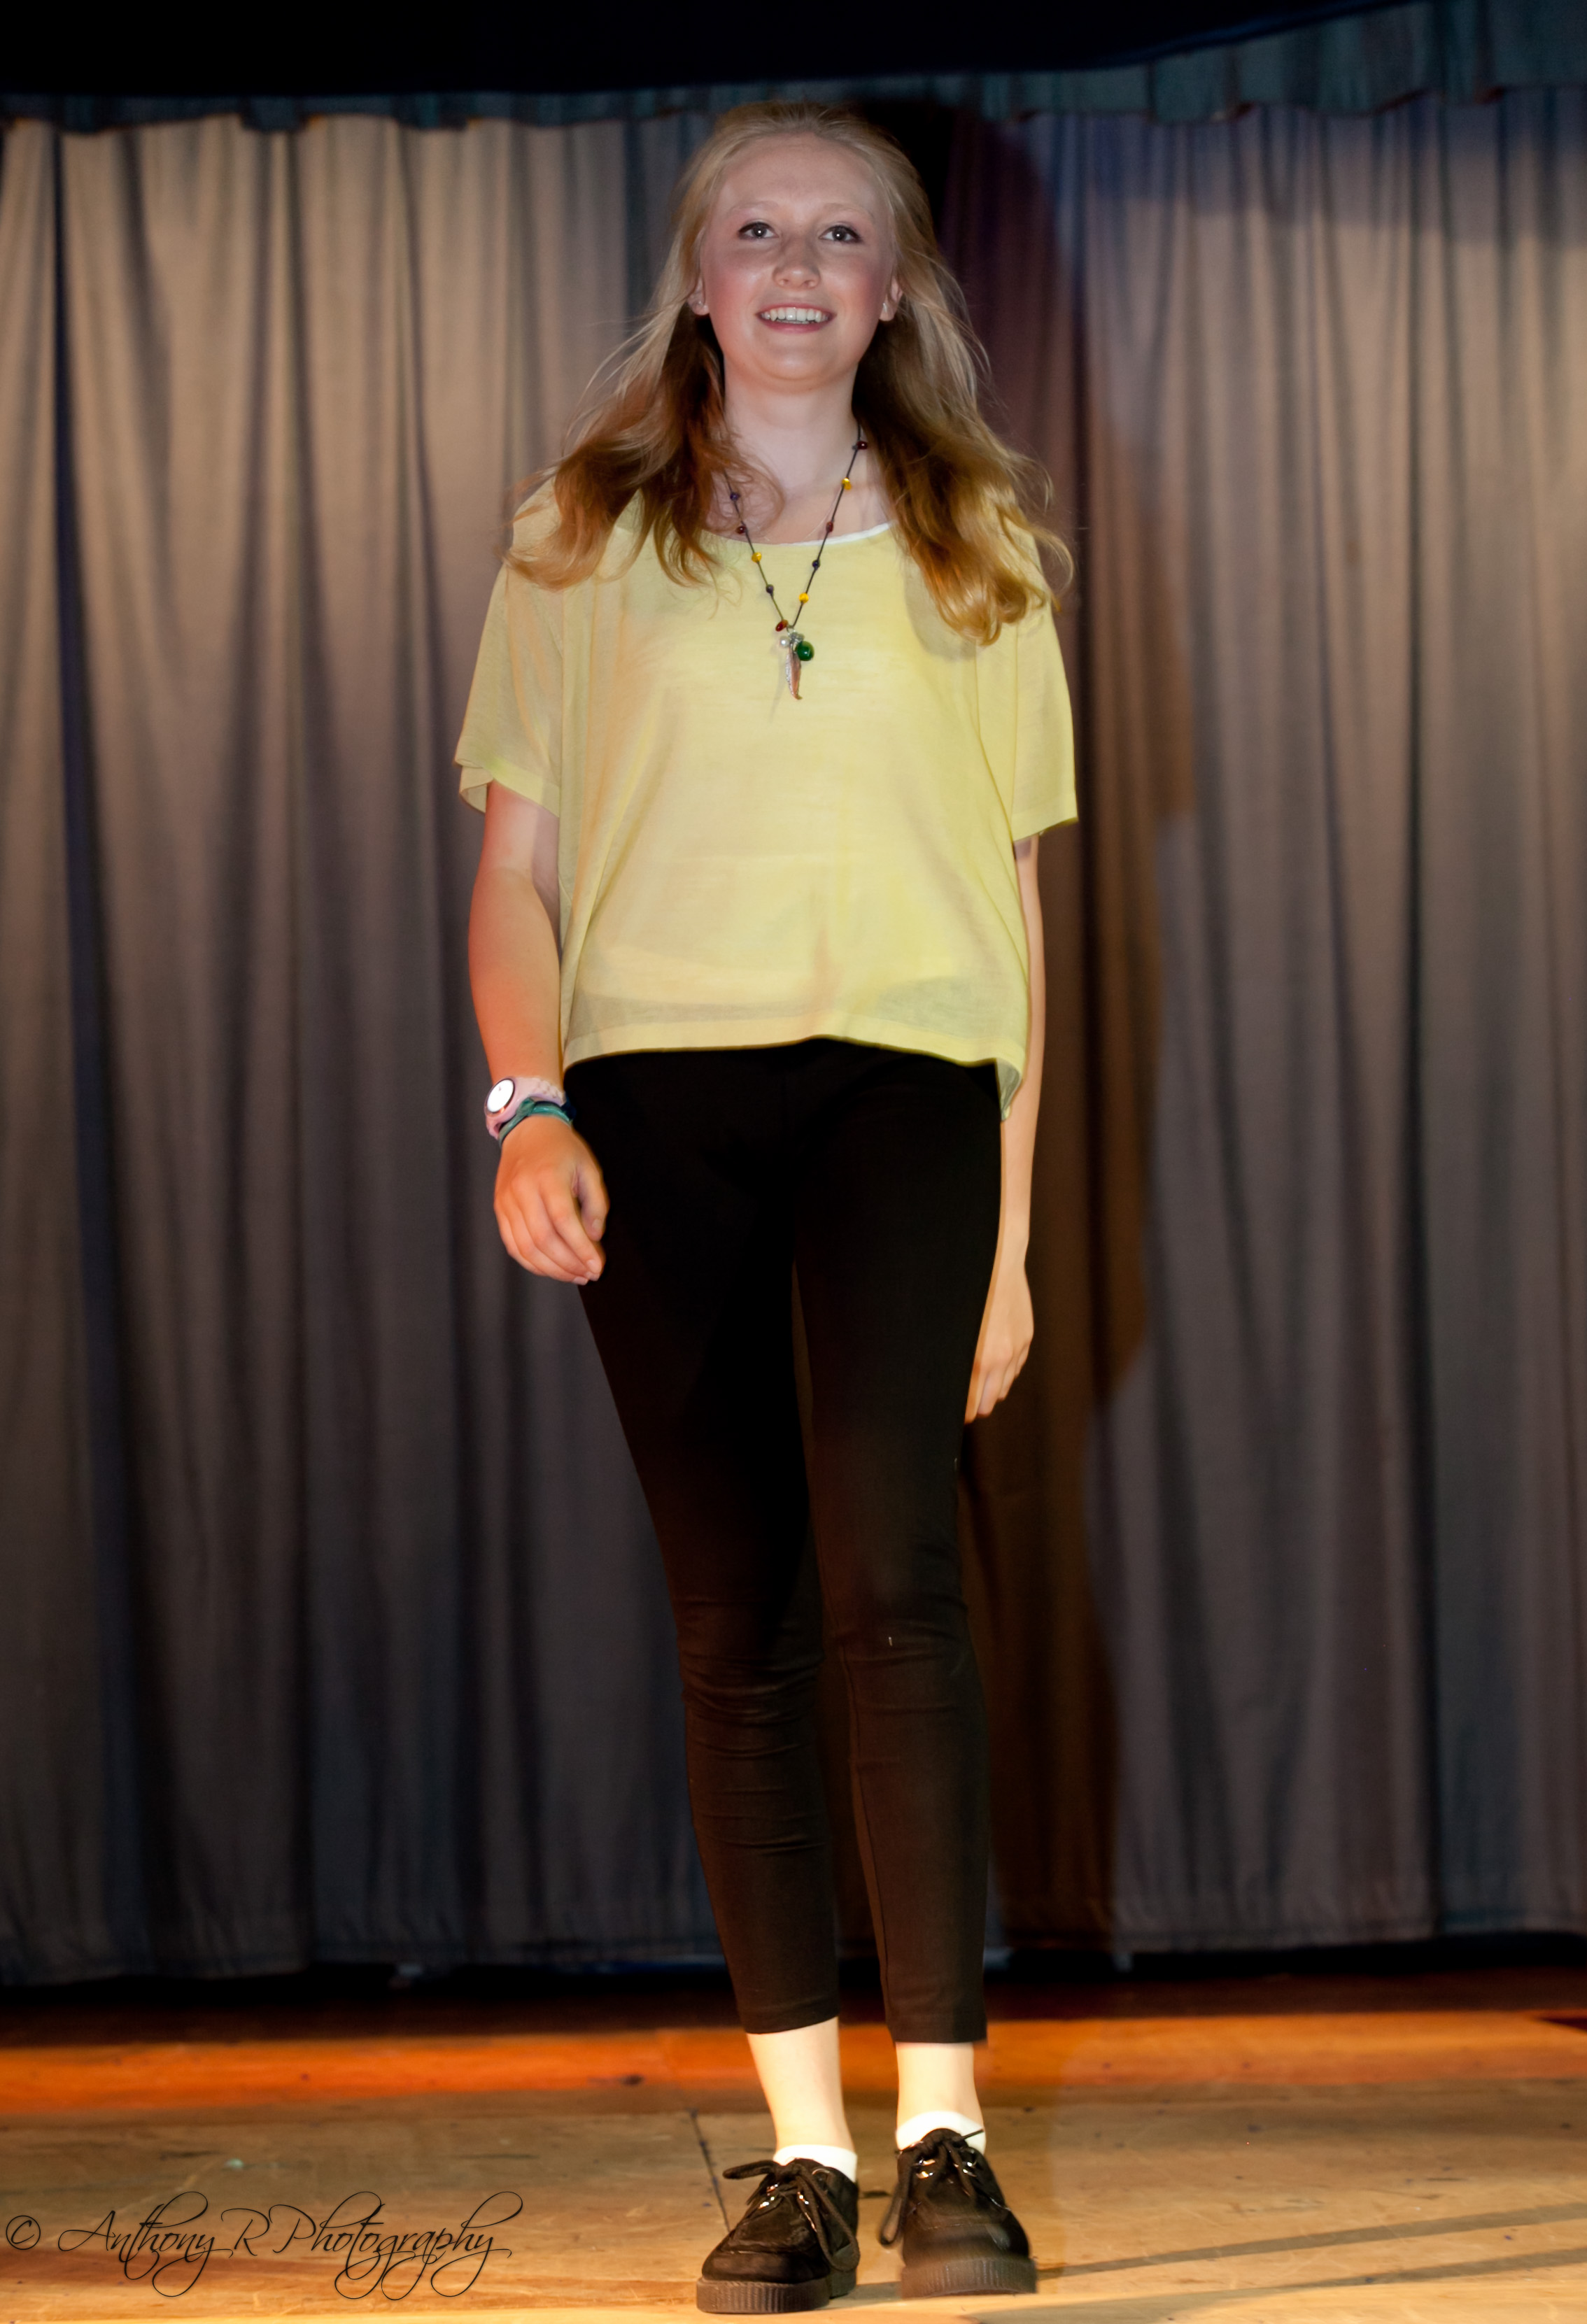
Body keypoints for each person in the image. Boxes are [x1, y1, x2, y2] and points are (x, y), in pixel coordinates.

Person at [458, 100, 1075, 2310]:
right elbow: (516, 872)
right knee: (738, 1618)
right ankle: (803, 2155)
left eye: (838, 233)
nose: (796, 267)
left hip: (908, 1089)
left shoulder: (979, 540)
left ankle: (943, 2134)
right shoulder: (580, 537)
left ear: (891, 285)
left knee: (900, 1583)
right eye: (755, 230)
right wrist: (526, 1104)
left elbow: (1016, 918)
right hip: (656, 1105)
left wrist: (1010, 1243)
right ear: (697, 274)